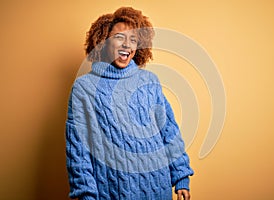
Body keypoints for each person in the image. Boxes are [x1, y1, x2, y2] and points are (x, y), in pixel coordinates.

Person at [65, 7, 194, 200]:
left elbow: (169, 131)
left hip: (158, 187)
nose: (126, 45)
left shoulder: (149, 81)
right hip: (112, 191)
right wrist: (85, 193)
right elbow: (77, 147)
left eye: (133, 39)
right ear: (103, 41)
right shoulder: (85, 87)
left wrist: (181, 175)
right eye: (119, 37)